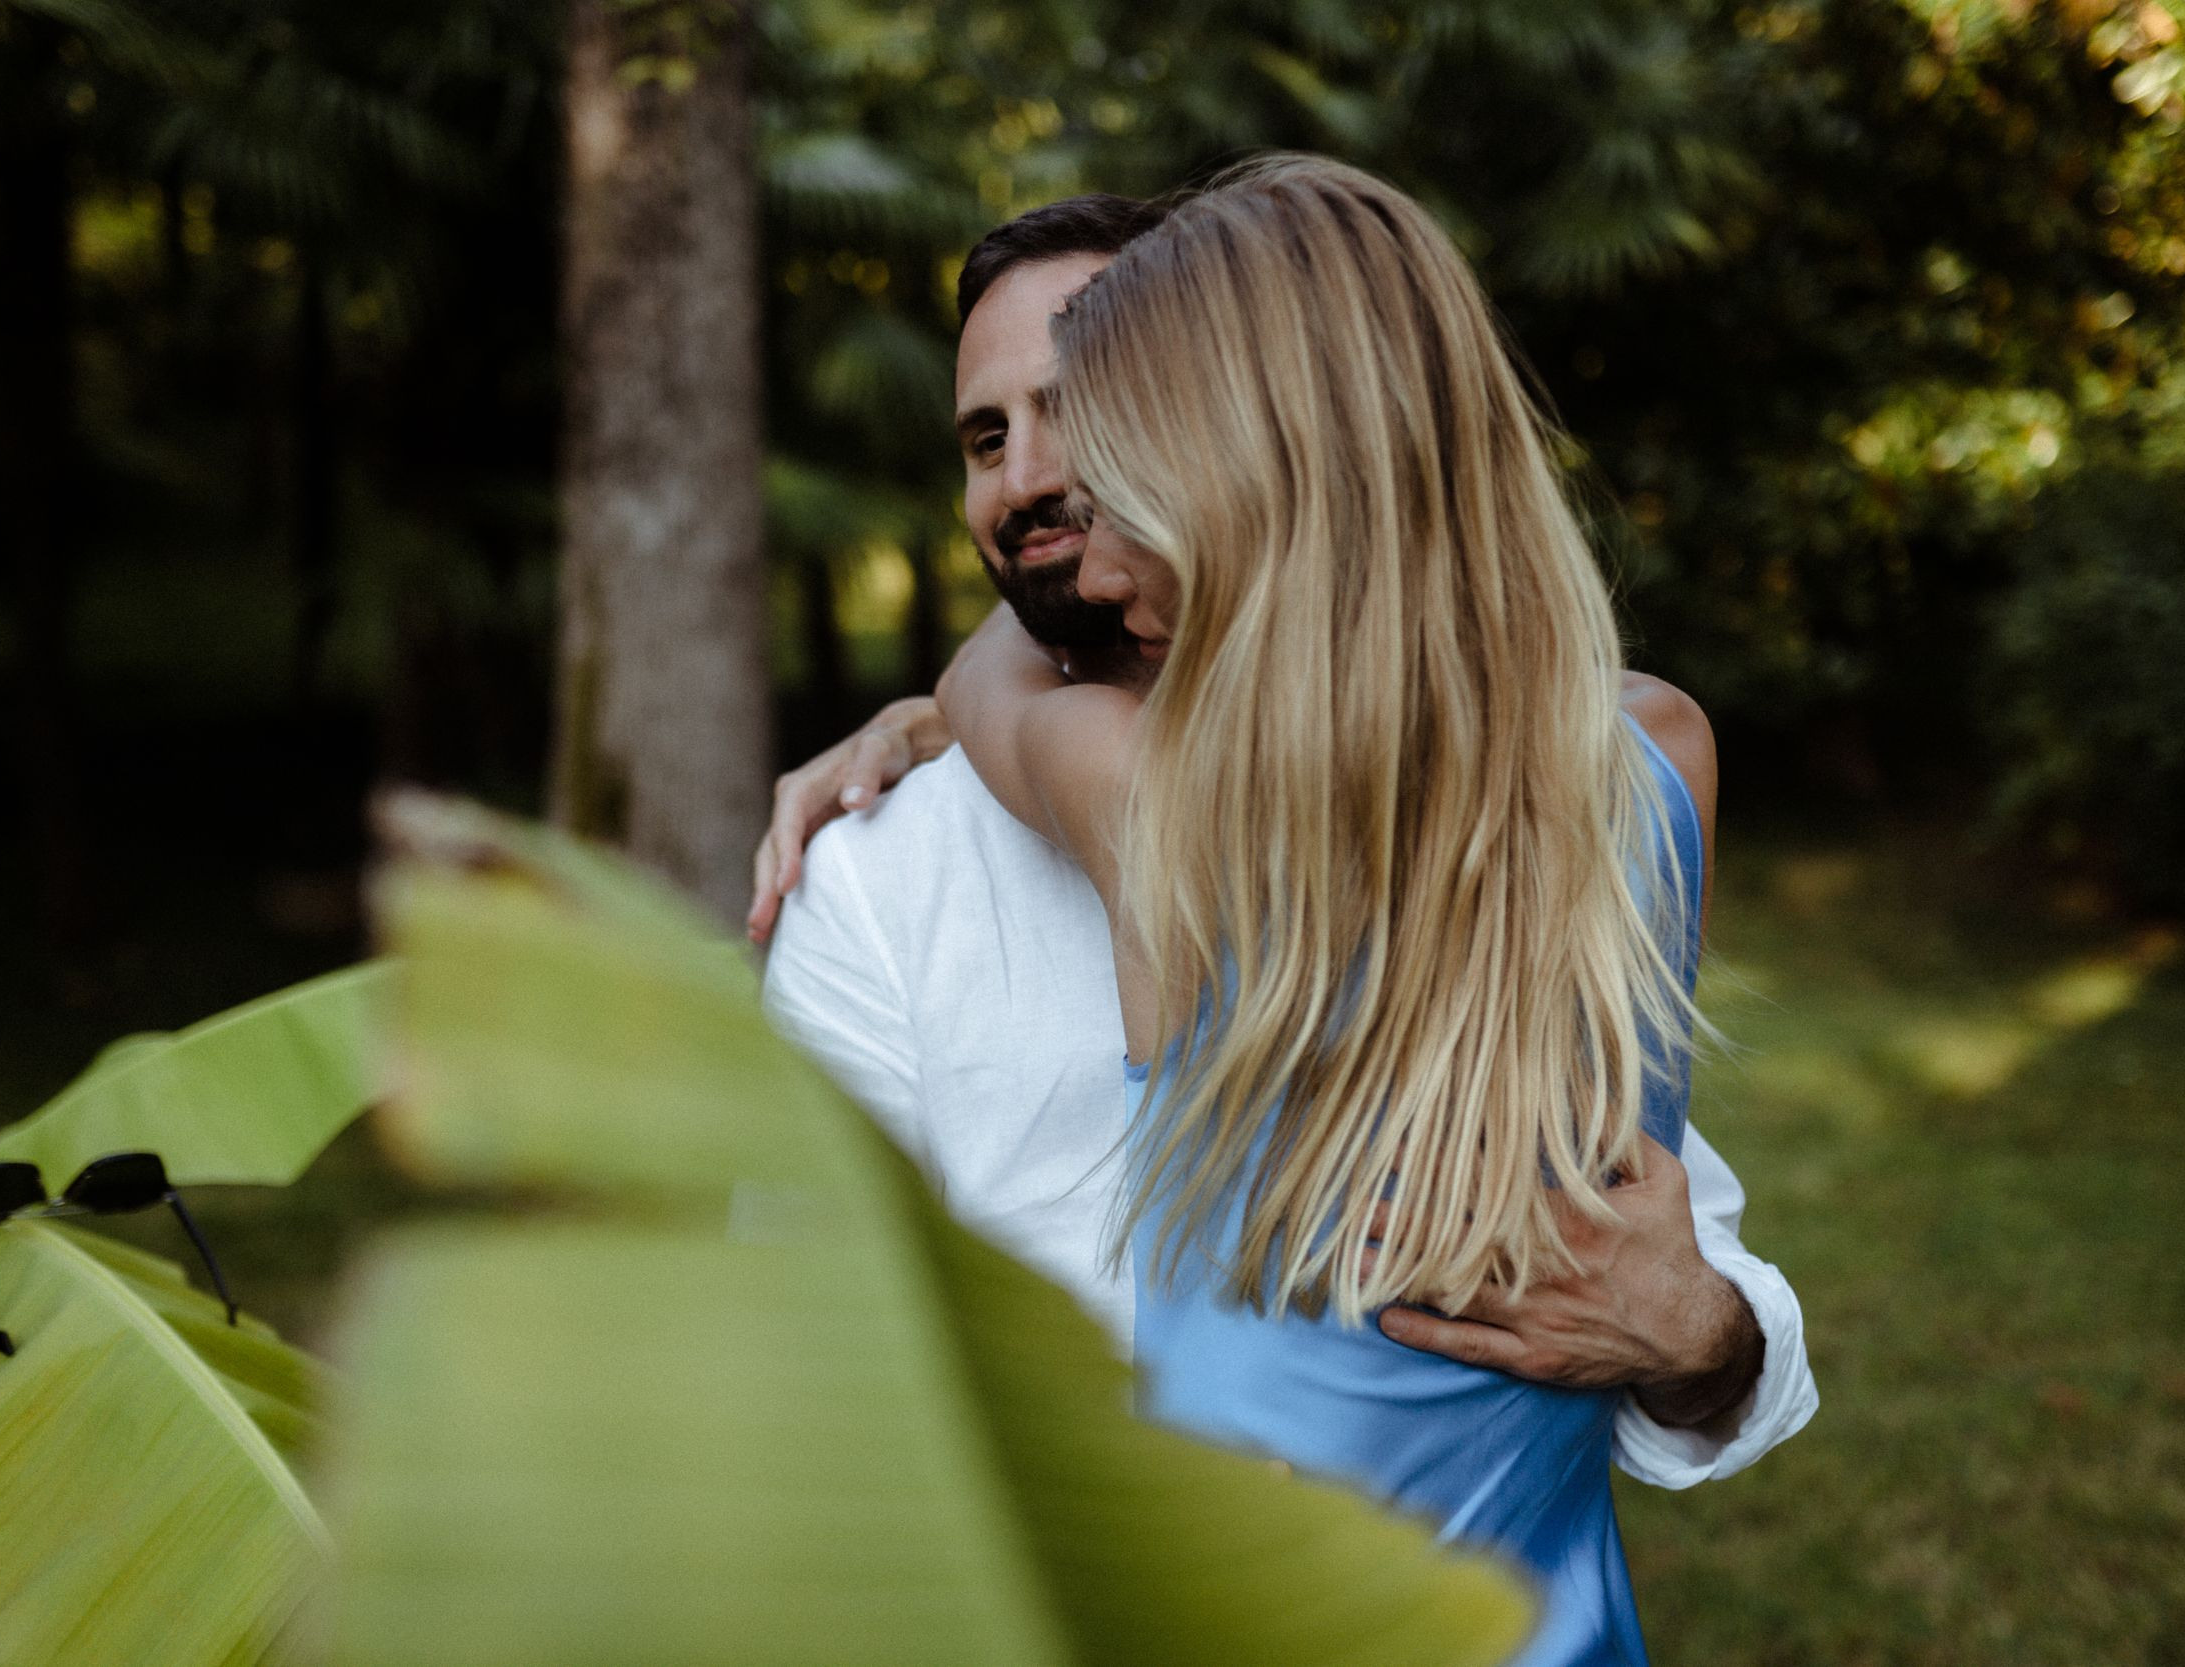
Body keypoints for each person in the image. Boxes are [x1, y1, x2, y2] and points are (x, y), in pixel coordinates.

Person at [758, 191, 1815, 1478]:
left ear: (1249, 444)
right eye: (987, 437)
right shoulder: (1653, 751)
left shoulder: (1140, 800)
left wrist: (1707, 1334)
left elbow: (1671, 1264)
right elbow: (799, 1370)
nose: (1035, 483)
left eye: (1094, 412)